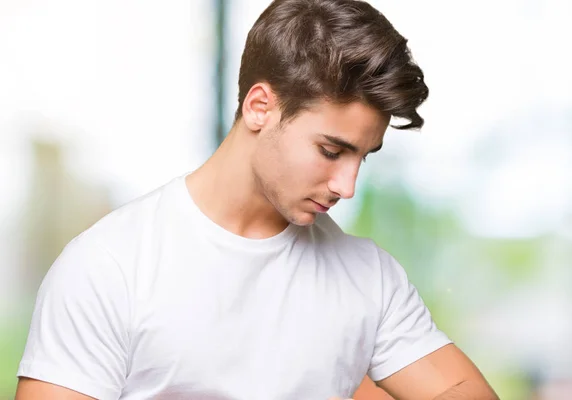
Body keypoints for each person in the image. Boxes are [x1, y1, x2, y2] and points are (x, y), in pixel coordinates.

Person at [15, 0, 499, 399]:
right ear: (260, 106)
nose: (347, 186)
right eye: (331, 151)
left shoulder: (368, 277)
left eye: (364, 157)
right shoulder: (109, 266)